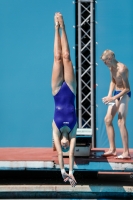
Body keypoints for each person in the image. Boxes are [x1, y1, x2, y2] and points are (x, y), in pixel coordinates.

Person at [51, 12, 77, 187]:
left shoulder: (55, 128)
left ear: (59, 142)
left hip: (57, 90)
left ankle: (56, 28)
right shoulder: (74, 130)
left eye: (64, 145)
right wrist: (71, 172)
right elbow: (71, 154)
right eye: (67, 145)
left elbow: (61, 155)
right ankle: (64, 27)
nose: (66, 144)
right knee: (67, 56)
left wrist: (62, 172)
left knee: (57, 58)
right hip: (71, 90)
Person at [101, 49, 131, 159]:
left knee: (120, 122)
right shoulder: (111, 67)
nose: (104, 63)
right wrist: (109, 96)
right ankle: (112, 149)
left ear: (110, 58)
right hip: (115, 94)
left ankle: (126, 152)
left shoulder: (122, 69)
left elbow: (127, 88)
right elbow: (113, 81)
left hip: (124, 94)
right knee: (107, 120)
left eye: (105, 61)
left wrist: (113, 97)